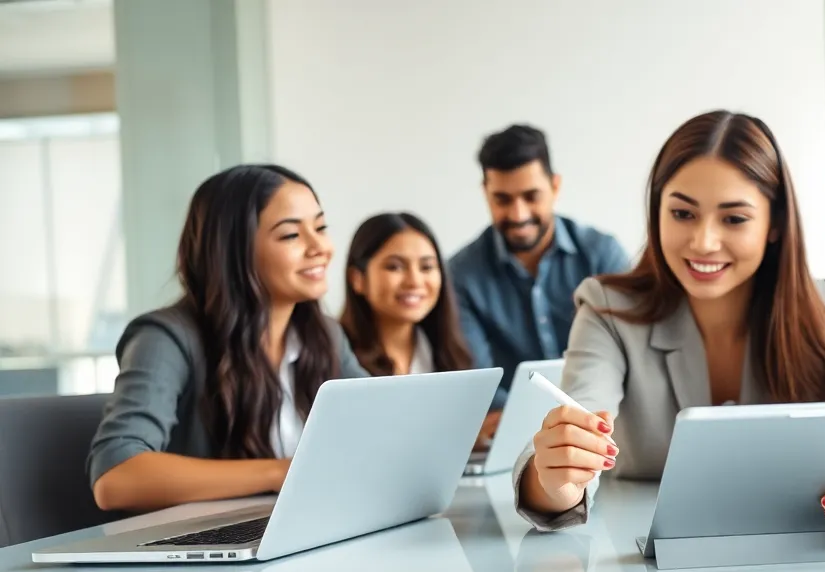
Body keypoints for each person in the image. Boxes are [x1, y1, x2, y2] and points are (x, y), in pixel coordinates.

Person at [513, 110, 825, 547]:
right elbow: (579, 420)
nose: (704, 241)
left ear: (775, 224)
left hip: (795, 565)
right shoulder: (608, 309)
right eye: (683, 213)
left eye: (734, 218)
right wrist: (557, 483)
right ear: (657, 213)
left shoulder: (818, 309)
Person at [88, 164, 367, 512]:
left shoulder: (325, 334)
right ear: (234, 251)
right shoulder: (166, 338)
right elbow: (116, 476)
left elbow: (379, 426)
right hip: (205, 549)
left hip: (303, 525)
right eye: (291, 235)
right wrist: (281, 472)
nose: (321, 248)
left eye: (321, 228)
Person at [448, 124, 630, 438]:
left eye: (531, 196)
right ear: (485, 193)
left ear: (555, 186)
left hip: (606, 427)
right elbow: (478, 381)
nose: (518, 215)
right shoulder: (461, 273)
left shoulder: (602, 255)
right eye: (502, 199)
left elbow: (628, 355)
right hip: (512, 438)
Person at [340, 212, 472, 376]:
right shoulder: (337, 356)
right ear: (357, 279)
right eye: (395, 267)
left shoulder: (451, 355)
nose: (414, 281)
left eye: (426, 267)